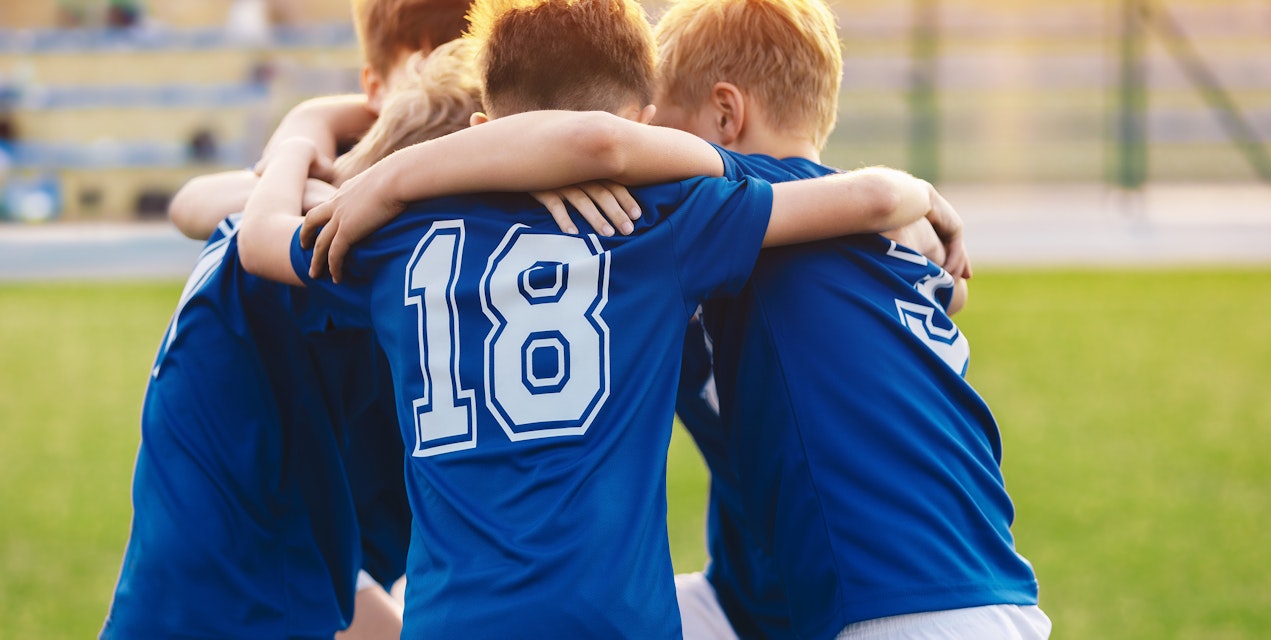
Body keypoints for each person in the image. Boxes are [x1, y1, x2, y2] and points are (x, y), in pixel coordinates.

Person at [235, 0, 964, 636]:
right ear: (644, 124)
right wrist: (921, 203)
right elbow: (862, 203)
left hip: (456, 617)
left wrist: (303, 136)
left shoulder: (397, 234)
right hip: (617, 620)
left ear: (485, 126)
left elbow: (260, 245)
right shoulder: (662, 221)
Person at [649, 0, 1050, 637]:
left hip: (895, 602)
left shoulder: (740, 200)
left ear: (725, 115)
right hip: (969, 585)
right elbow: (947, 288)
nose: (651, 139)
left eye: (662, 125)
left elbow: (609, 151)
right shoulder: (878, 240)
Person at [98, 41, 482, 640]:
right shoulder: (337, 255)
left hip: (190, 577)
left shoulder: (261, 220)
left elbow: (192, 204)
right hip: (253, 593)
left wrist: (306, 135)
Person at [168, 0, 472, 241]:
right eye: (421, 73)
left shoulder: (498, 150)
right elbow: (190, 204)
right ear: (375, 89)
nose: (442, 87)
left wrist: (315, 116)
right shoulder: (350, 154)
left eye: (467, 72)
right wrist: (315, 190)